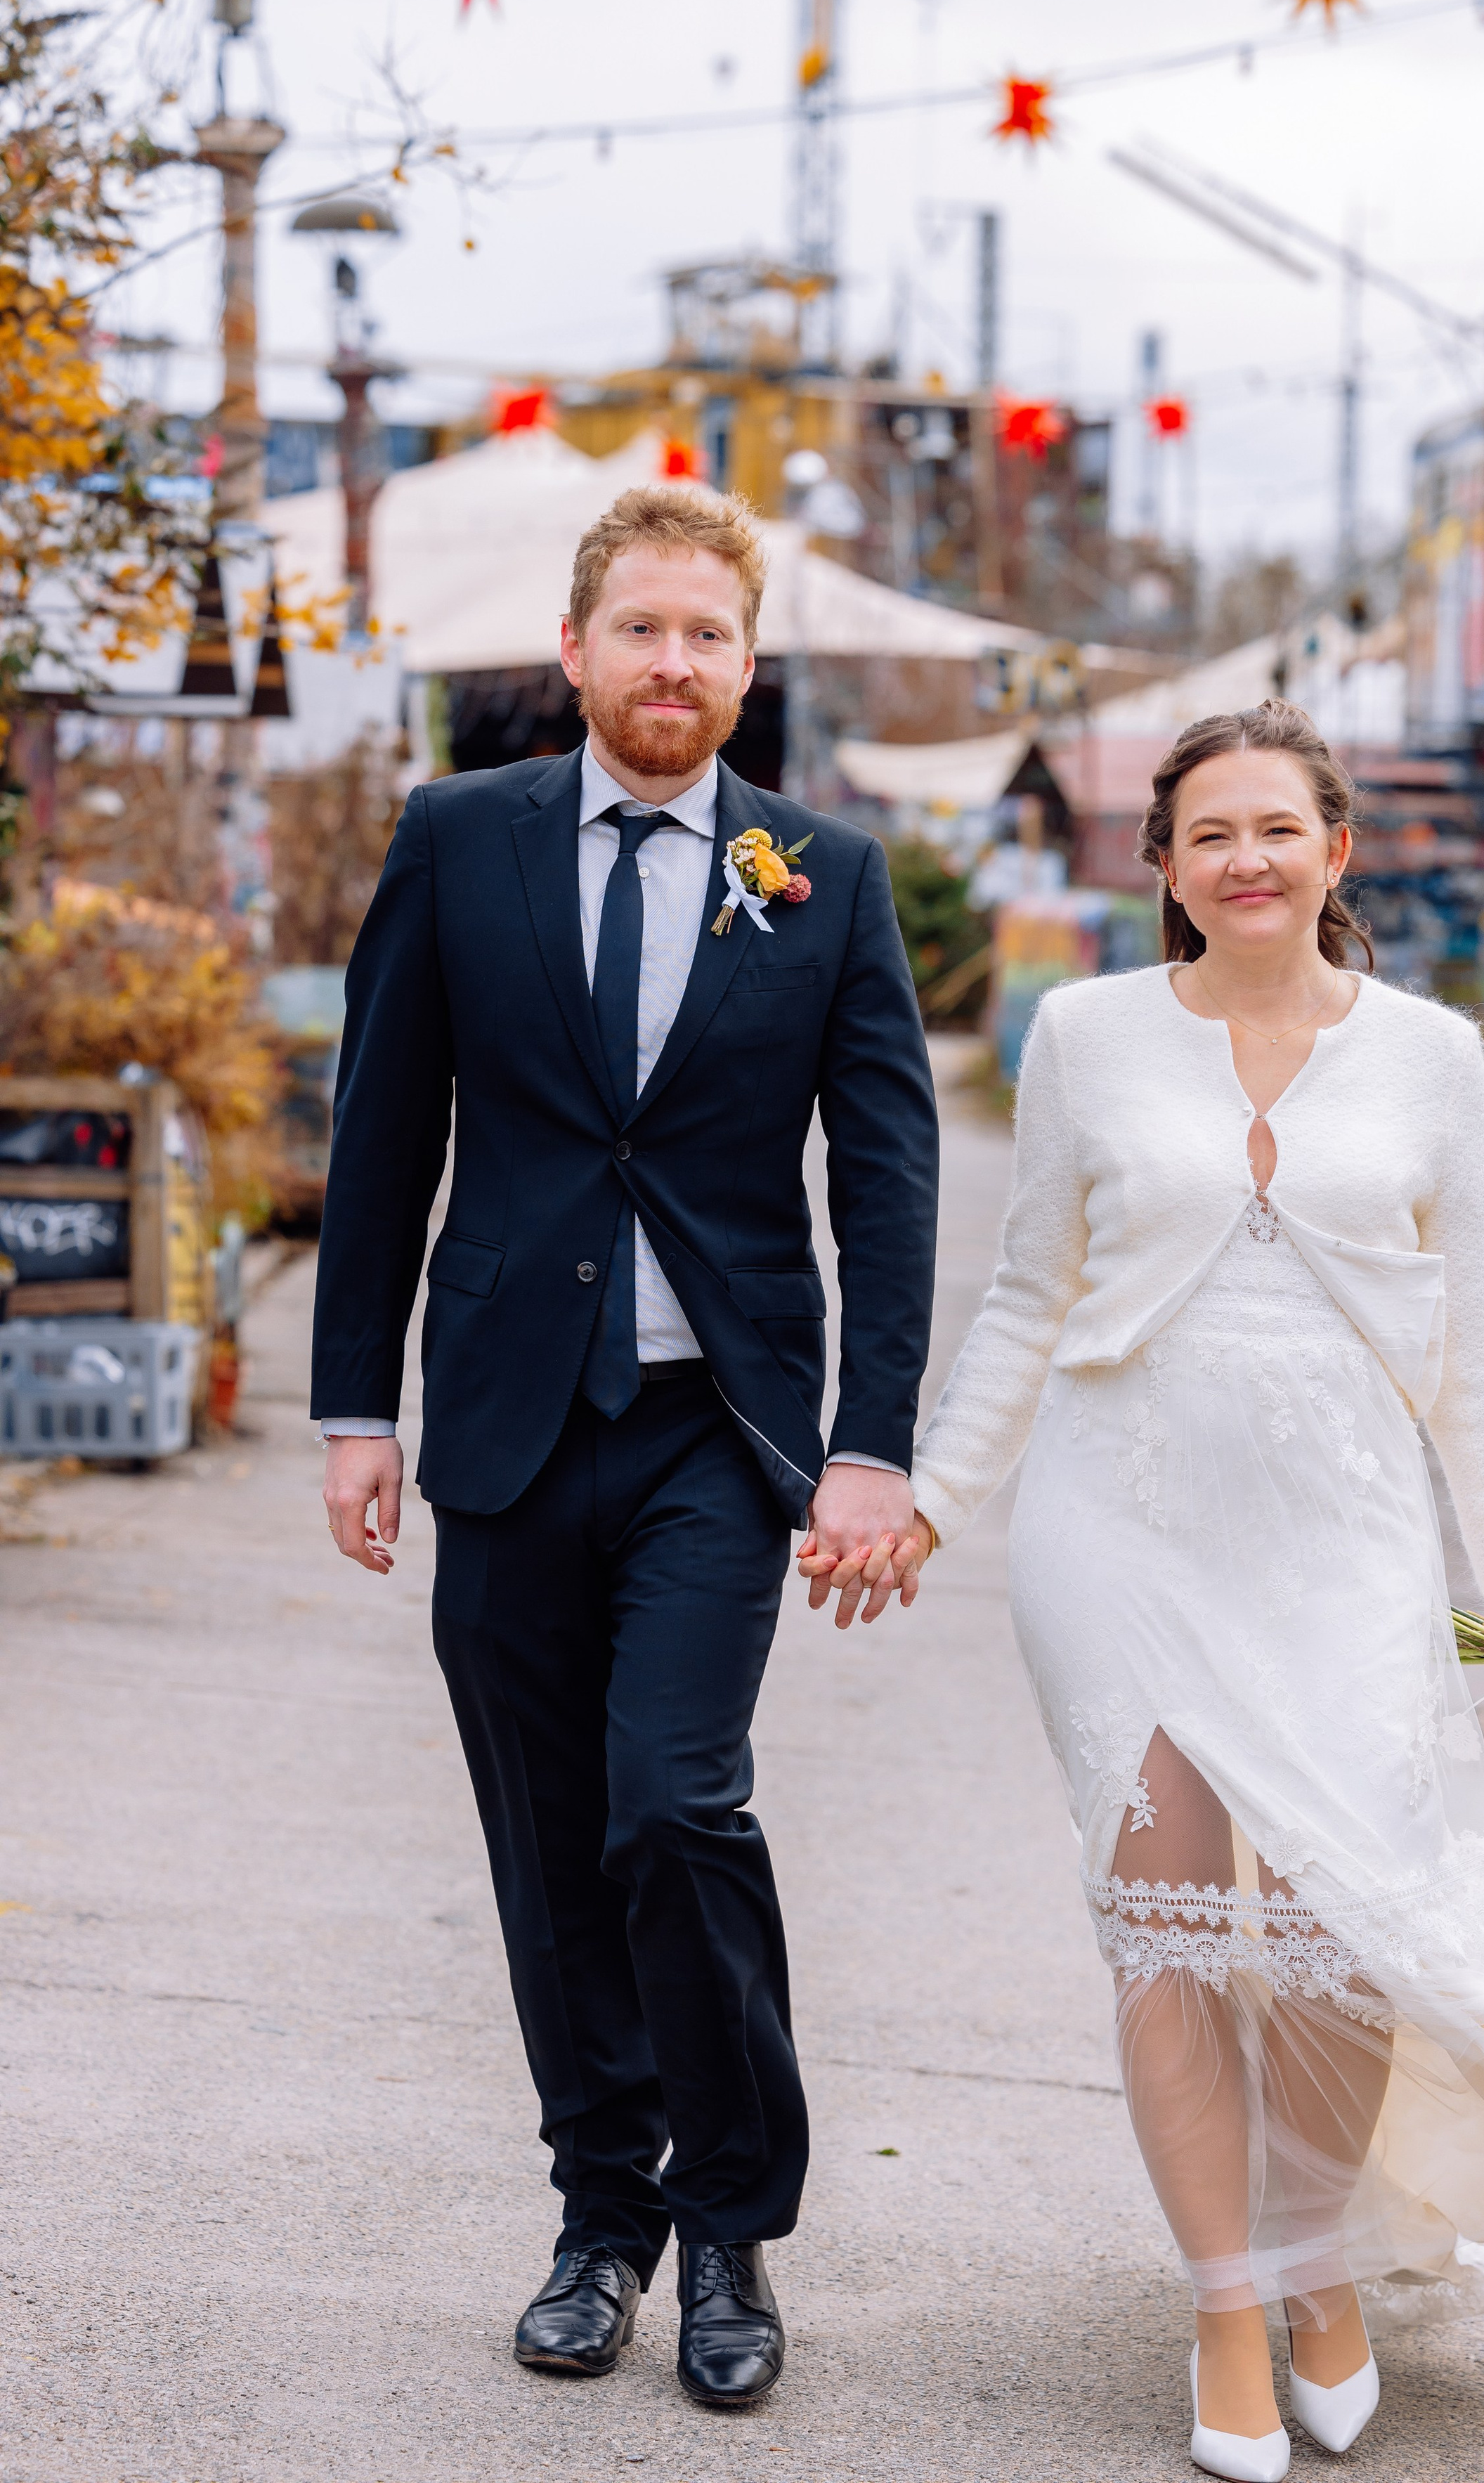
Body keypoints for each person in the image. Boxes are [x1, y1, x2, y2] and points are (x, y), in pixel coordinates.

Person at [833, 703, 1484, 2479]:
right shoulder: (1083, 1035)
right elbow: (1025, 1295)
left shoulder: (1436, 1059)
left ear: (1334, 850)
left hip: (1345, 1539)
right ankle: (1228, 2294)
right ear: (1162, 867)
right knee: (1167, 1936)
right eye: (1206, 834)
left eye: (1275, 829)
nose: (1244, 860)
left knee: (1326, 1939)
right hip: (1116, 1528)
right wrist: (931, 1500)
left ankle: (1319, 2268)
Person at [313, 483, 937, 2413]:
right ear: (576, 651)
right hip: (504, 1420)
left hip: (712, 1435)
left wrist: (871, 1448)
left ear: (749, 671)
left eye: (711, 637)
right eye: (645, 628)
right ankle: (603, 2220)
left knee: (672, 1802)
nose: (677, 664)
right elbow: (381, 1133)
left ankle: (733, 2227)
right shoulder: (458, 841)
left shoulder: (823, 875)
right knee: (543, 1843)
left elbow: (893, 1181)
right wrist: (357, 1408)